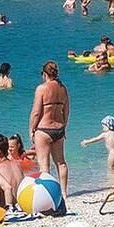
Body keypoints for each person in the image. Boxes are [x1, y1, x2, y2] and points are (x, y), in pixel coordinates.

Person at [29, 60, 70, 192]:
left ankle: (48, 193)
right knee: (61, 162)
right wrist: (64, 126)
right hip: (59, 128)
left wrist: (31, 130)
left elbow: (36, 112)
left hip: (44, 129)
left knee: (44, 166)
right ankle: (64, 193)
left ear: (44, 74)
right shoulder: (63, 88)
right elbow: (67, 110)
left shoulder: (41, 89)